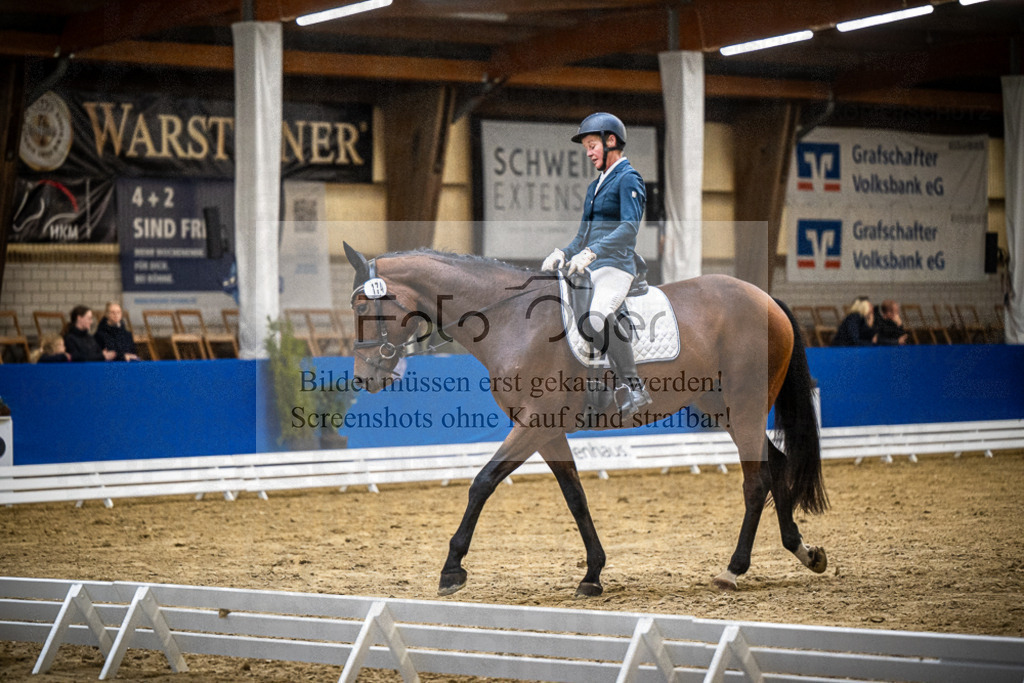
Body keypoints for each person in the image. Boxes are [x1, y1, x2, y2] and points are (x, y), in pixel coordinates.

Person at [540, 112, 651, 416]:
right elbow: (582, 236)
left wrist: (593, 252)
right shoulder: (594, 187)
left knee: (595, 317)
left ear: (611, 141)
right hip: (592, 265)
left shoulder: (629, 178)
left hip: (616, 266)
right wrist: (563, 252)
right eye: (587, 148)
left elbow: (629, 227)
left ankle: (634, 387)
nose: (589, 153)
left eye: (592, 146)